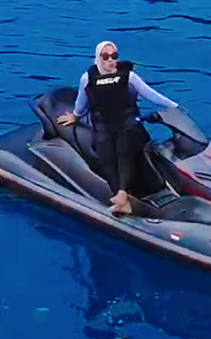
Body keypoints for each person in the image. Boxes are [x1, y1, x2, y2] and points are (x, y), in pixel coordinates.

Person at [58, 41, 178, 216]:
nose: (110, 60)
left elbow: (151, 94)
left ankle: (122, 196)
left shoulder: (128, 76)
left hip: (128, 125)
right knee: (105, 155)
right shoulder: (88, 78)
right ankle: (122, 198)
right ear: (98, 58)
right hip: (104, 127)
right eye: (105, 57)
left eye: (114, 56)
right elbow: (82, 101)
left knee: (124, 149)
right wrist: (75, 115)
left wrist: (175, 107)